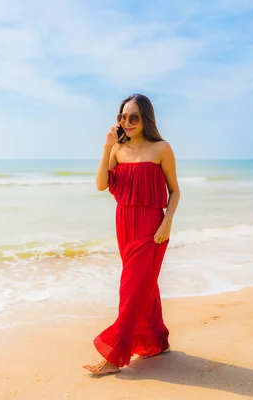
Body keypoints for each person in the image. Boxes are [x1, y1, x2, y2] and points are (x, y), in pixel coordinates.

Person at [83, 93, 180, 375]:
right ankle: (157, 341)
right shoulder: (117, 150)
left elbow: (174, 190)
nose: (127, 122)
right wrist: (106, 147)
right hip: (124, 223)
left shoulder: (161, 148)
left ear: (146, 119)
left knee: (132, 287)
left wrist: (167, 223)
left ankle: (114, 355)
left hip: (152, 226)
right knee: (143, 286)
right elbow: (102, 184)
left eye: (133, 117)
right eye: (122, 117)